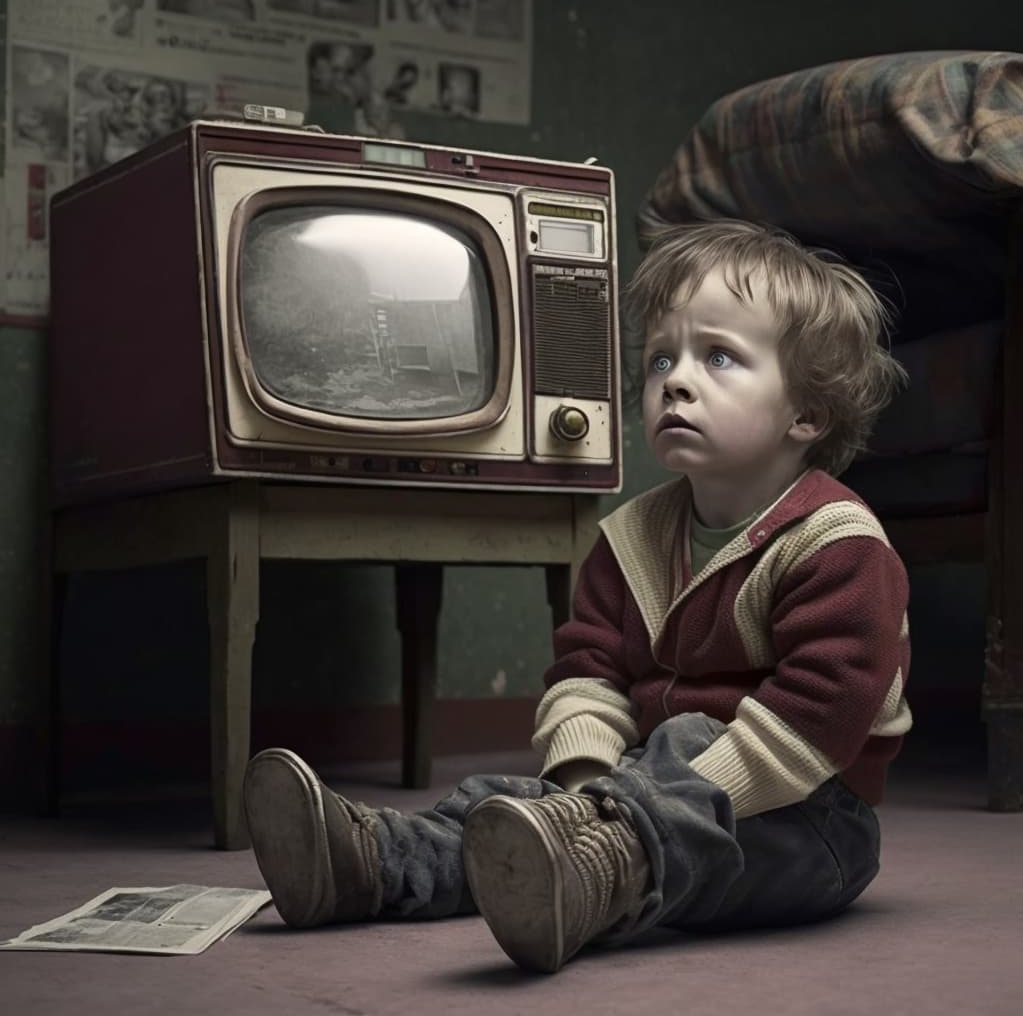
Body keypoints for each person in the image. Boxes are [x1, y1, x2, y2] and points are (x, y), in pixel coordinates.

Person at [243, 219, 913, 974]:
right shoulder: (628, 537)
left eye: (719, 356)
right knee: (503, 802)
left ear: (807, 415)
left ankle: (597, 874)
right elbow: (588, 674)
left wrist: (635, 810)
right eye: (664, 357)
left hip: (806, 820)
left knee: (688, 740)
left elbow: (818, 719)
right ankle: (374, 862)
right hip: (634, 790)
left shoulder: (837, 544)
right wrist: (586, 793)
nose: (676, 379)